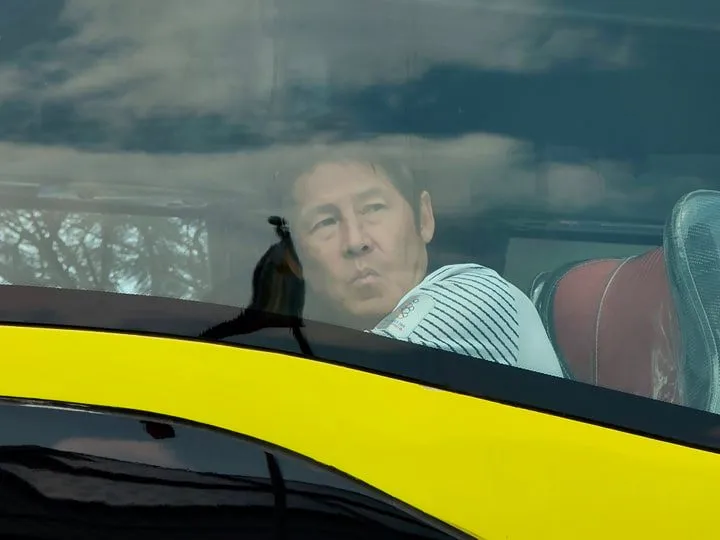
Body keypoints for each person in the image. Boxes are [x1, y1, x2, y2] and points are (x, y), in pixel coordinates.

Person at [282, 156, 566, 377]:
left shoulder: (474, 299)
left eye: (373, 208)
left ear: (424, 218)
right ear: (296, 260)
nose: (356, 241)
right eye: (325, 223)